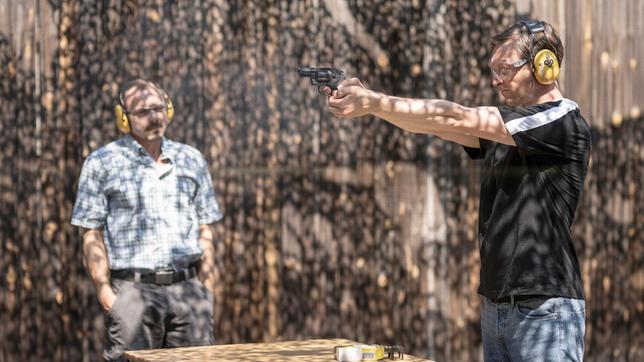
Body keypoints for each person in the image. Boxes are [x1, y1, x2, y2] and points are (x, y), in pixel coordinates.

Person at [327, 20, 590, 361]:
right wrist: (374, 106)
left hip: (544, 308)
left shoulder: (562, 120)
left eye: (505, 69)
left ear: (544, 65)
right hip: (497, 306)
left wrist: (376, 101)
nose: (496, 80)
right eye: (493, 70)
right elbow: (434, 123)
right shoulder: (506, 131)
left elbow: (456, 117)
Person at [71, 79, 223, 361]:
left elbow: (206, 228)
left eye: (158, 108)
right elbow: (91, 234)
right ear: (124, 118)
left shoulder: (192, 159)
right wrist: (105, 291)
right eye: (142, 112)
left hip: (189, 291)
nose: (154, 117)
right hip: (132, 292)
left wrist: (208, 286)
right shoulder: (101, 163)